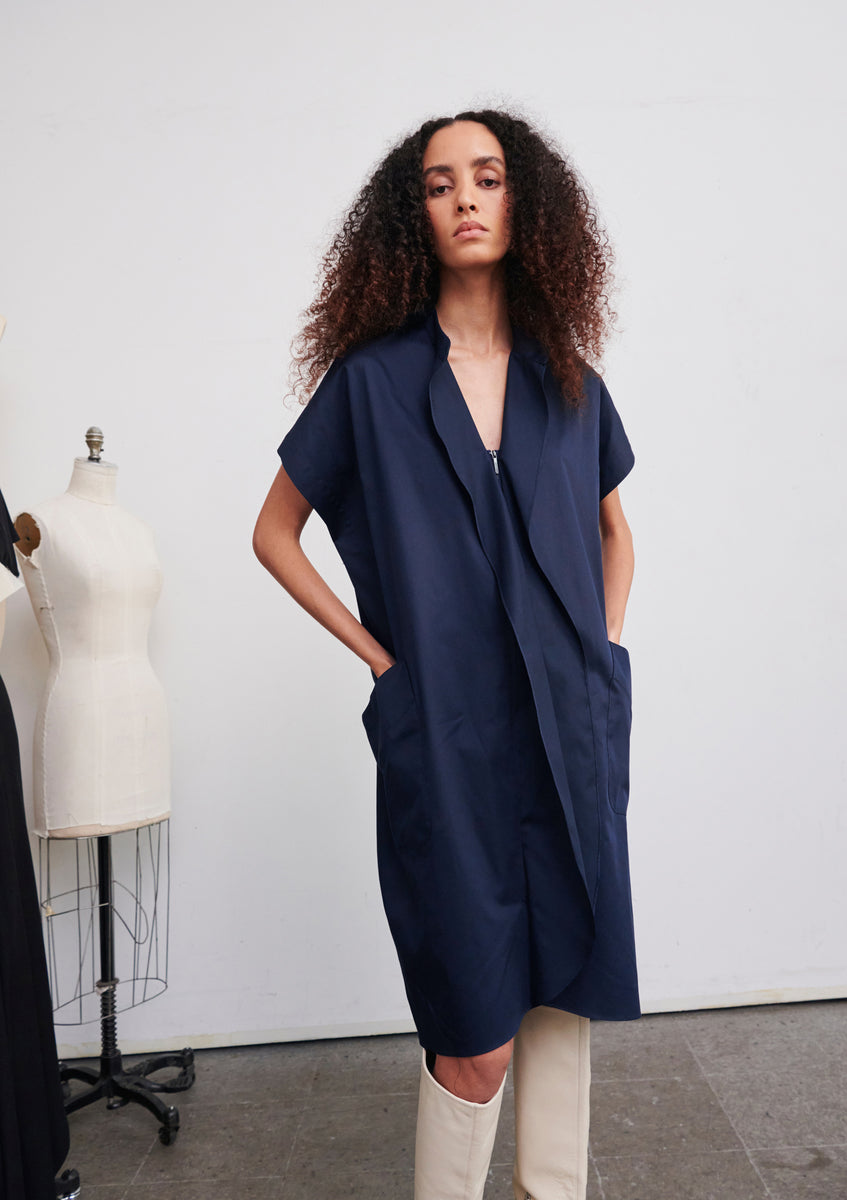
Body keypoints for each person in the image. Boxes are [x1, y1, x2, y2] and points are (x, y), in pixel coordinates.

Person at [253, 108, 640, 1200]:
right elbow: (272, 533)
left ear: (528, 202)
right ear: (411, 215)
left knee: (566, 993)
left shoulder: (569, 376)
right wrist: (382, 660)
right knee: (473, 1030)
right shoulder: (373, 384)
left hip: (570, 728)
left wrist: (599, 658)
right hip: (449, 735)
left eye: (487, 176)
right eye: (438, 184)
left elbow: (616, 529)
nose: (466, 197)